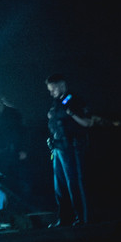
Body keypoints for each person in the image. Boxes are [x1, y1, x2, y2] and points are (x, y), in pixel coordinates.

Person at [45, 73, 100, 227]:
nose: (51, 93)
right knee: (60, 185)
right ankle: (65, 218)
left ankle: (82, 219)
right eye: (50, 90)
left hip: (72, 148)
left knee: (74, 183)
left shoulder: (75, 100)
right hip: (58, 148)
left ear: (62, 85)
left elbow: (87, 122)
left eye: (53, 89)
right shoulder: (57, 103)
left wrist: (72, 113)